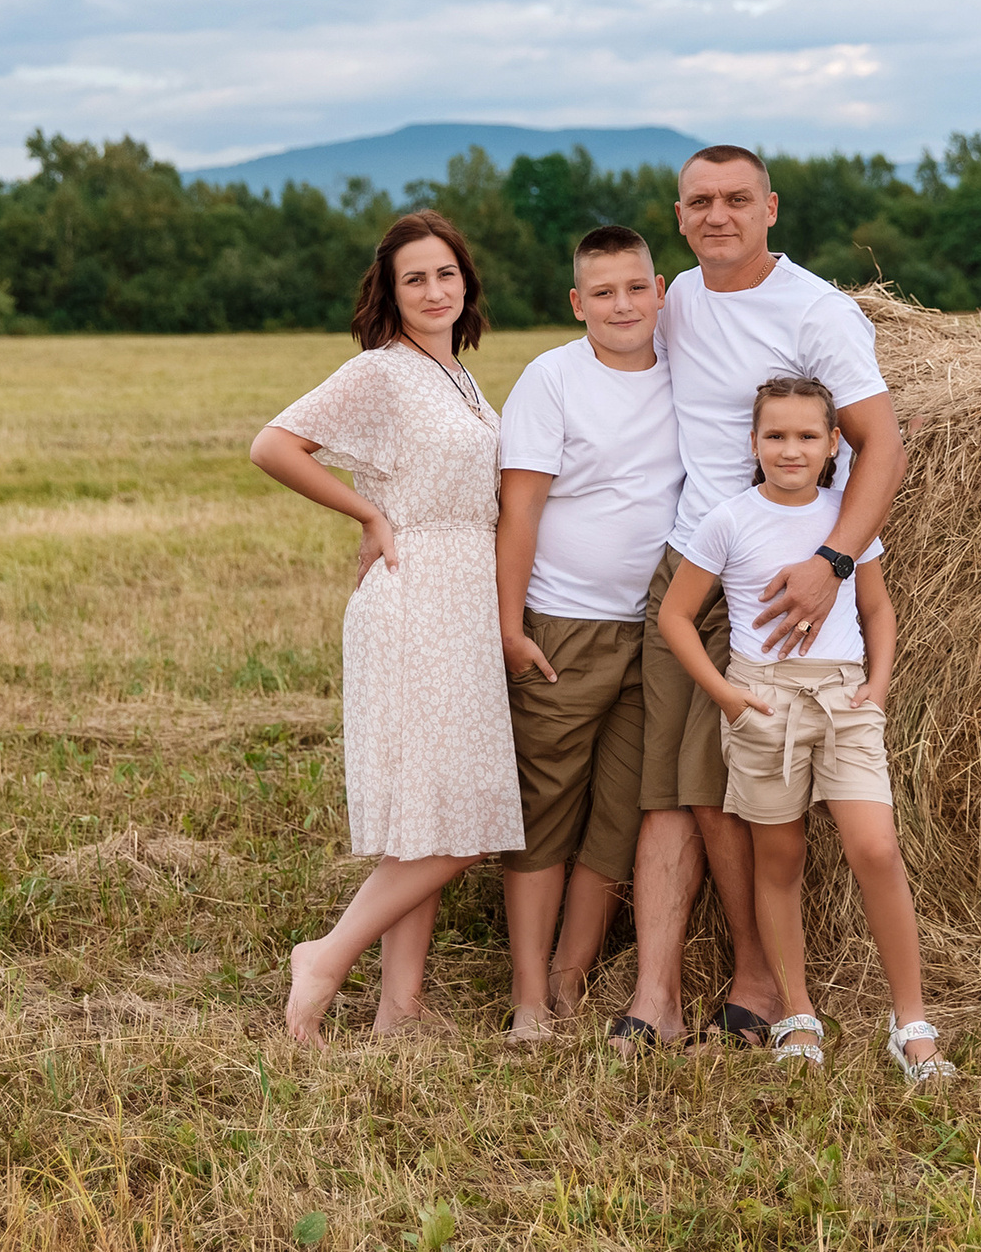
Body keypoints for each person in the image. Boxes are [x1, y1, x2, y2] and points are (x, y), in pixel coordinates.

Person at [614, 143, 909, 1056]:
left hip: (794, 573)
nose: (718, 215)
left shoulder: (815, 309)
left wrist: (832, 559)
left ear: (771, 207)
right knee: (682, 786)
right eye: (699, 201)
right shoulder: (680, 300)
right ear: (678, 216)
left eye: (737, 199)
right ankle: (669, 987)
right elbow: (605, 334)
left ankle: (759, 981)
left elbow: (882, 445)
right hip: (696, 556)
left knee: (744, 793)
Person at [248, 210, 524, 1045]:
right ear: (390, 291)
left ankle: (398, 1012)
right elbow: (274, 445)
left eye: (446, 273)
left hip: (464, 592)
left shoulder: (462, 379)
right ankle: (325, 955)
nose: (435, 290)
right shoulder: (381, 371)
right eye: (415, 278)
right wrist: (367, 511)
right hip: (415, 595)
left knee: (430, 812)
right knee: (464, 820)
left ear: (466, 281)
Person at [658, 377, 951, 1080]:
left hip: (842, 697)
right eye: (776, 436)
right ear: (755, 444)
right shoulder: (729, 519)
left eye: (807, 436)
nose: (791, 449)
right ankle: (797, 1014)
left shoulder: (849, 517)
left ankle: (910, 1019)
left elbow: (876, 609)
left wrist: (875, 687)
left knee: (875, 847)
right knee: (779, 859)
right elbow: (675, 616)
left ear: (832, 447)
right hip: (763, 703)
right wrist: (729, 697)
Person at [493, 224, 680, 1041]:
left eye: (635, 287)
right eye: (603, 292)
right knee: (546, 806)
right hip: (563, 623)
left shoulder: (688, 375)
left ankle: (572, 980)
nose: (622, 304)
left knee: (620, 811)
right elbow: (520, 511)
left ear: (661, 290)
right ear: (578, 303)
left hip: (657, 629)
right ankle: (529, 996)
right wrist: (509, 625)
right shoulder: (552, 379)